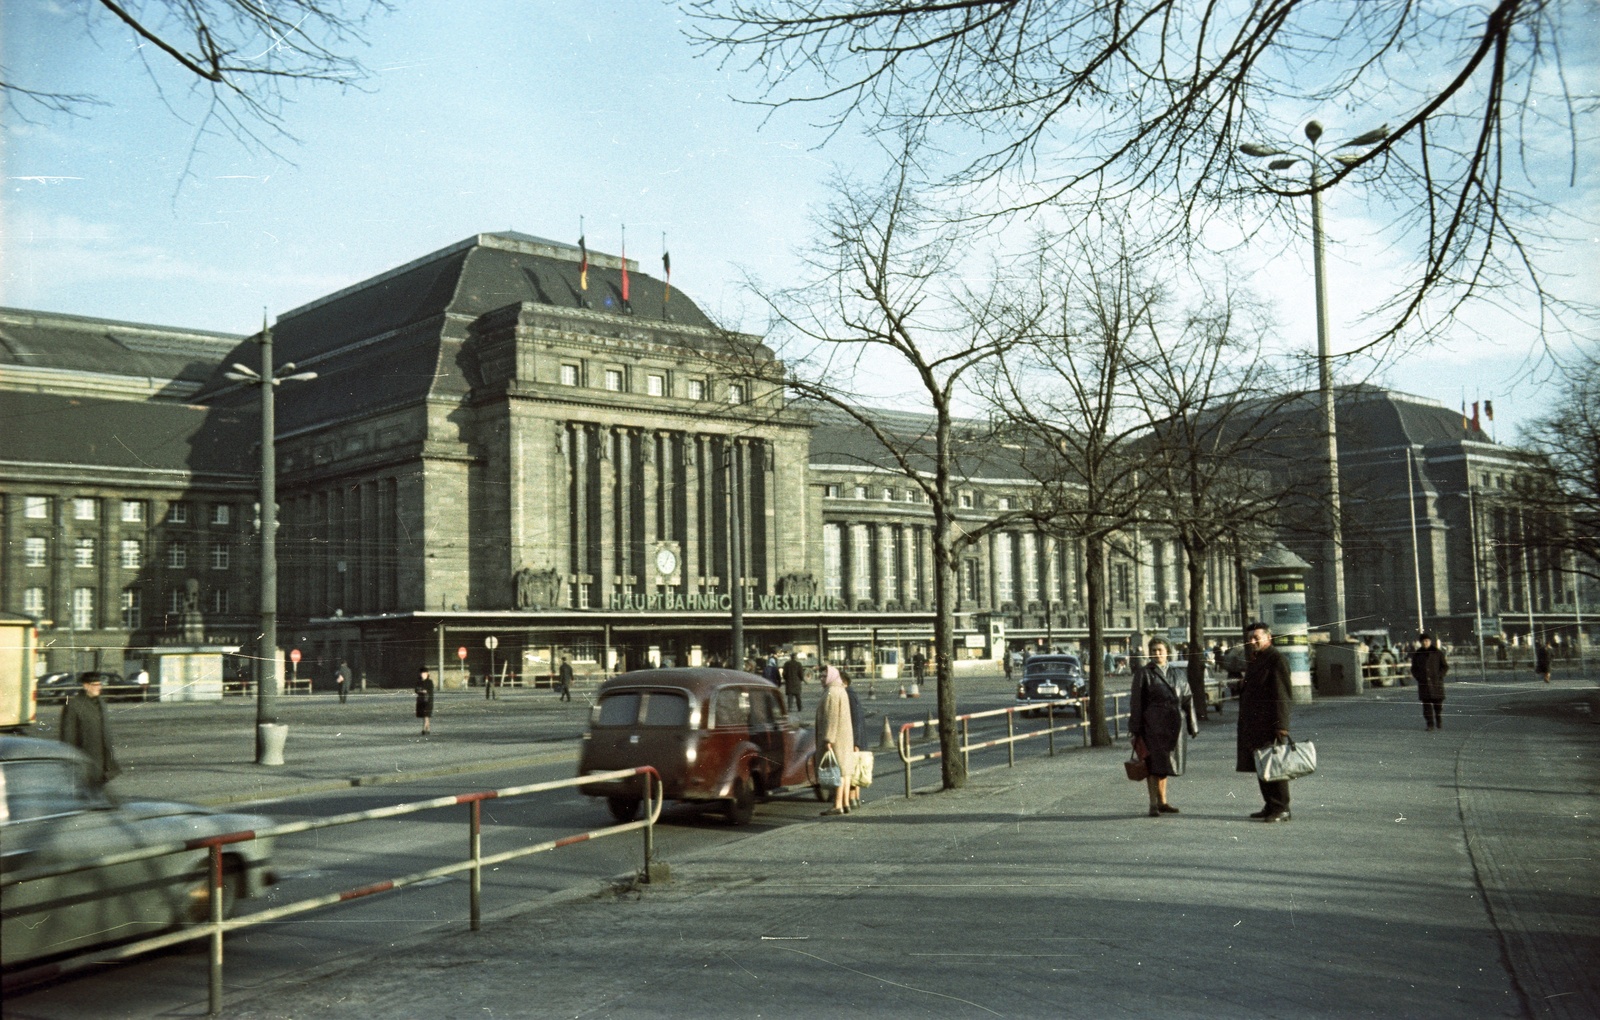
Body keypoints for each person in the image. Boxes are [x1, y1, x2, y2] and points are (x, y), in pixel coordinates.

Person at [1129, 638, 1199, 817]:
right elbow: (1136, 702)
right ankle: (1153, 803)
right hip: (1152, 725)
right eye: (1153, 650)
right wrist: (1135, 728)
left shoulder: (1178, 674)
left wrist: (1192, 725)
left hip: (1175, 725)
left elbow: (1188, 698)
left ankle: (1163, 801)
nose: (1157, 653)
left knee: (1166, 763)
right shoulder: (1144, 673)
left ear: (1168, 651)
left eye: (1160, 649)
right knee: (1153, 764)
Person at [1236, 621, 1293, 822]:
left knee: (1275, 765)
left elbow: (1282, 694)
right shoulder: (1258, 659)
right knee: (1262, 765)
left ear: (1268, 637)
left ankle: (1281, 807)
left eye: (1256, 637)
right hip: (1255, 725)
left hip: (1269, 725)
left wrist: (1281, 725)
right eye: (1250, 638)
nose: (1252, 641)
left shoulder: (1276, 659)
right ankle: (1270, 804)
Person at [60, 675, 120, 788]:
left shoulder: (101, 703)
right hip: (85, 757)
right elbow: (68, 736)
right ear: (86, 686)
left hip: (103, 760)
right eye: (95, 685)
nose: (98, 687)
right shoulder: (74, 705)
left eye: (99, 684)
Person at [815, 665, 854, 816]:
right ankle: (844, 803)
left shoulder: (831, 692)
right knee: (844, 772)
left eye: (824, 676)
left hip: (835, 738)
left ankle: (837, 805)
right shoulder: (841, 690)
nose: (821, 678)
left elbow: (831, 717)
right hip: (844, 736)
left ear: (831, 676)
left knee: (836, 772)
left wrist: (828, 739)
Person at [1410, 632, 1449, 730]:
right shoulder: (1417, 654)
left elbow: (1445, 666)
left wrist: (1439, 675)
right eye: (1423, 641)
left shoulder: (1437, 653)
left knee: (1438, 705)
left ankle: (1438, 718)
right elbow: (1413, 668)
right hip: (1424, 684)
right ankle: (1430, 724)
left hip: (1436, 683)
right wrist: (1418, 677)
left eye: (1427, 641)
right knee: (1426, 706)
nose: (1425, 643)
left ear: (1430, 641)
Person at [841, 671, 866, 809]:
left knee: (851, 769)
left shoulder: (848, 696)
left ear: (844, 682)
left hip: (854, 739)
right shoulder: (852, 694)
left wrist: (855, 742)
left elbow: (855, 720)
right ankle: (855, 798)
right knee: (855, 768)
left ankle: (852, 798)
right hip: (858, 738)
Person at [415, 667, 435, 735]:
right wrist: (421, 691)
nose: (423, 675)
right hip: (421, 701)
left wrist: (425, 691)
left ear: (427, 674)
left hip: (428, 700)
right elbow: (416, 690)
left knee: (426, 715)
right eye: (422, 673)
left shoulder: (430, 682)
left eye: (424, 673)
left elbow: (430, 691)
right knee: (425, 716)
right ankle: (428, 729)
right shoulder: (419, 682)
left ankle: (423, 729)